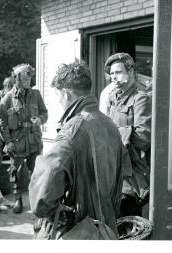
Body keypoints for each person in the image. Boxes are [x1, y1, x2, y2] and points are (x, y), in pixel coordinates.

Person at [29, 62, 131, 239]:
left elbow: (42, 197)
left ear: (65, 93)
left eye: (58, 95)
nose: (59, 101)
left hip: (78, 230)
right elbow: (125, 170)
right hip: (108, 228)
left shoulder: (71, 131)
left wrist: (52, 212)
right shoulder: (110, 124)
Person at [100, 52, 151, 218]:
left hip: (133, 171)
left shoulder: (140, 98)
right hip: (115, 167)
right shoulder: (113, 98)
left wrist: (115, 136)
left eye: (119, 72)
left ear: (131, 73)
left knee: (129, 218)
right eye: (112, 73)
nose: (114, 77)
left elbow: (143, 137)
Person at [0, 63, 48, 214]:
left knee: (37, 171)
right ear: (17, 78)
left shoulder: (36, 95)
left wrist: (40, 119)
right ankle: (18, 199)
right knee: (16, 172)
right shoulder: (6, 99)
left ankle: (37, 200)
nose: (29, 78)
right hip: (17, 142)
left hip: (34, 140)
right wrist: (8, 142)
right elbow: (2, 123)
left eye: (30, 75)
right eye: (25, 76)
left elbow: (44, 113)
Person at [0, 76, 14, 154]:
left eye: (10, 84)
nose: (7, 86)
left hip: (12, 123)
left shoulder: (16, 94)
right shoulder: (1, 93)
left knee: (11, 144)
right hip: (1, 123)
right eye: (6, 85)